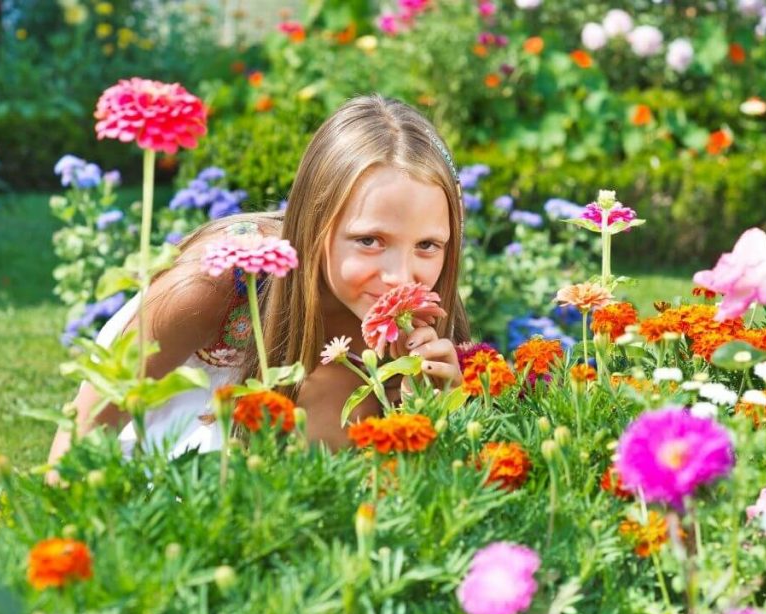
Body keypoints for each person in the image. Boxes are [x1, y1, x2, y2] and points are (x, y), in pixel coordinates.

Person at [48, 94, 469, 473]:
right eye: (369, 240)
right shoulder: (217, 282)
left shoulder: (421, 327)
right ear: (314, 224)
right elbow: (76, 449)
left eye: (428, 245)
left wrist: (433, 412)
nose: (401, 276)